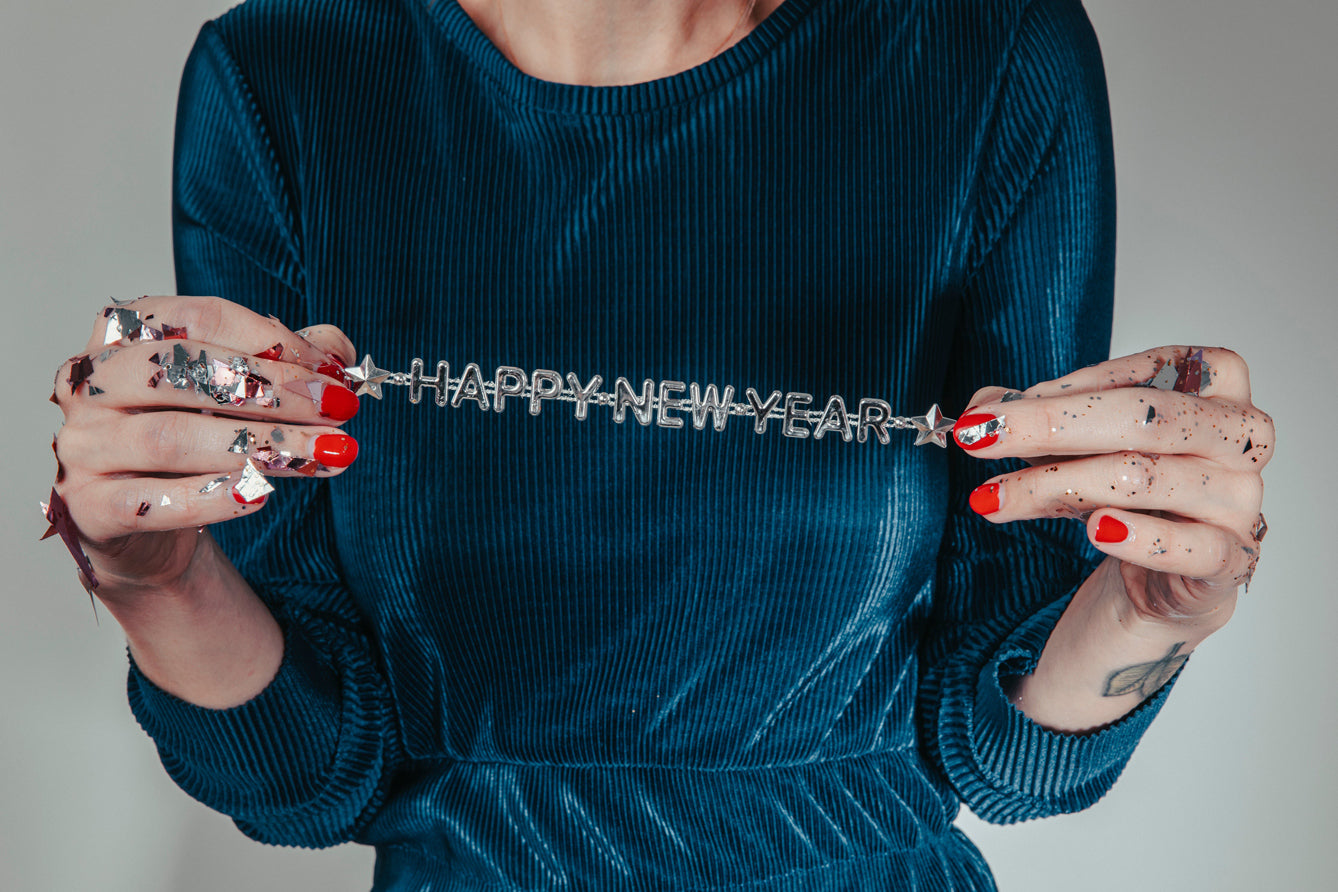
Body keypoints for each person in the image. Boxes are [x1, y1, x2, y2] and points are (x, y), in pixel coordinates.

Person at [46, 0, 1273, 888]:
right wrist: (156, 576)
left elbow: (1005, 756)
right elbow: (305, 772)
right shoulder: (282, 80)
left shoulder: (991, 57)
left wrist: (1151, 611)